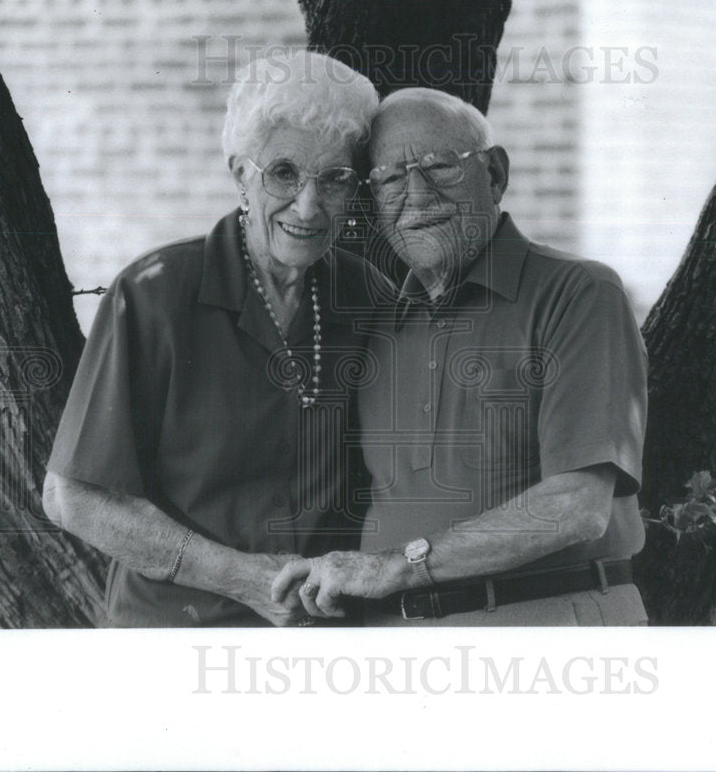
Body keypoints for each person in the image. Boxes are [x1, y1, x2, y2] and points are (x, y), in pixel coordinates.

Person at [273, 87, 649, 626]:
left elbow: (578, 507)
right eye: (391, 179)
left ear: (494, 174)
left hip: (548, 628)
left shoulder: (579, 293)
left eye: (439, 167)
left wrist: (397, 566)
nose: (417, 195)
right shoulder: (377, 322)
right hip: (398, 647)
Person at [42, 52, 384, 627]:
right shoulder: (156, 293)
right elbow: (74, 496)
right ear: (240, 176)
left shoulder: (366, 293)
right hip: (180, 632)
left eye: (333, 180)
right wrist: (244, 580)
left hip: (325, 633)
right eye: (283, 173)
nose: (308, 205)